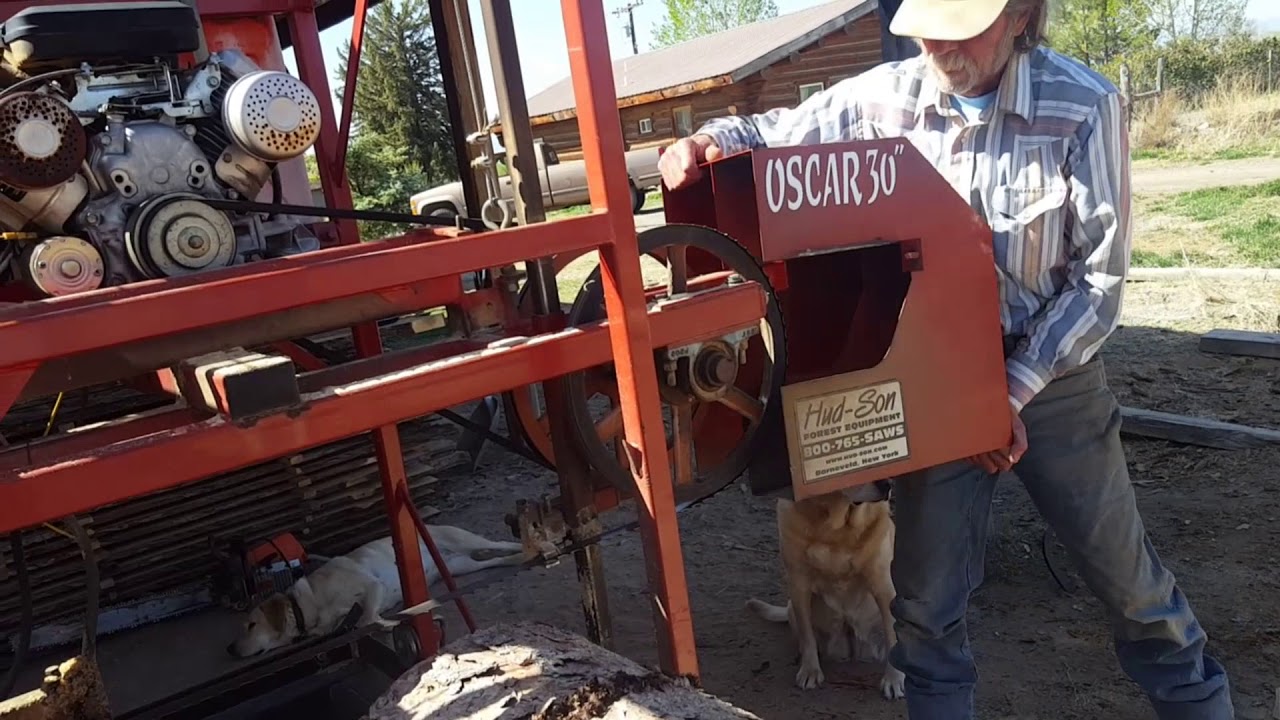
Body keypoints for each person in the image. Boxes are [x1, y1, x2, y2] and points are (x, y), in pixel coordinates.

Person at [657, 0, 1236, 718]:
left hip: (1050, 376)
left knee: (1128, 581)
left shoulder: (1083, 106)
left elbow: (1100, 284)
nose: (937, 43)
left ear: (1021, 16)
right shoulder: (888, 94)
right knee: (927, 605)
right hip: (930, 374)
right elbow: (774, 131)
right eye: (927, 25)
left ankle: (1197, 703)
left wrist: (1007, 395)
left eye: (961, 28)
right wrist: (710, 138)